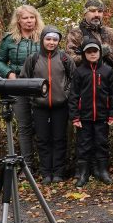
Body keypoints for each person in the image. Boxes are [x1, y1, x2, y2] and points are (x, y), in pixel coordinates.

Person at [21, 26, 73, 183]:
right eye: (48, 39)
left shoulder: (64, 58)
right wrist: (33, 98)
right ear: (42, 39)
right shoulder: (33, 58)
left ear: (59, 42)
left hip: (60, 106)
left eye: (55, 40)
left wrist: (66, 93)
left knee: (59, 139)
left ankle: (58, 172)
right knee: (43, 139)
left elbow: (74, 78)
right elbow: (25, 80)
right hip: (40, 106)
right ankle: (45, 173)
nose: (51, 42)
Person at [0, 4, 44, 171]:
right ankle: (27, 167)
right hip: (17, 85)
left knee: (41, 125)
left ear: (36, 19)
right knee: (24, 126)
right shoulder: (9, 39)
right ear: (19, 20)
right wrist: (9, 73)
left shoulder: (43, 37)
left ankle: (46, 167)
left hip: (38, 85)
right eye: (25, 18)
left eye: (32, 17)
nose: (29, 21)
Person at [69, 38, 113, 187]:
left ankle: (102, 171)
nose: (92, 54)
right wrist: (75, 116)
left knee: (101, 143)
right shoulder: (79, 72)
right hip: (84, 117)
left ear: (100, 52)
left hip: (103, 116)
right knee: (84, 145)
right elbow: (73, 95)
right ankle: (83, 173)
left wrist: (112, 114)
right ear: (84, 54)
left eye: (95, 51)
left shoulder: (108, 71)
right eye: (89, 52)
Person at [67, 0, 113, 68]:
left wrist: (108, 53)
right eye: (92, 11)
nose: (97, 14)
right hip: (85, 77)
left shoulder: (111, 33)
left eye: (100, 11)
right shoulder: (75, 34)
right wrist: (94, 54)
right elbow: (70, 60)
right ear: (85, 13)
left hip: (108, 77)